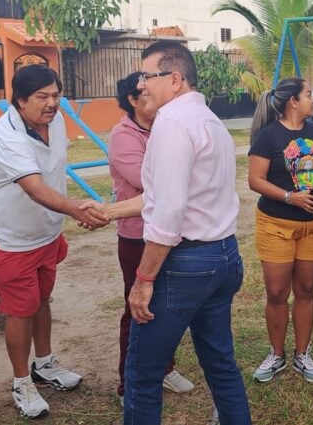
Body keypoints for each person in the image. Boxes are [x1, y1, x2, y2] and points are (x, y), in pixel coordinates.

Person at [124, 41, 250, 425]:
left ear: (175, 79)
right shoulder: (207, 118)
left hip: (188, 262)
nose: (141, 84)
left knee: (143, 373)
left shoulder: (174, 122)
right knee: (220, 362)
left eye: (148, 76)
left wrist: (144, 278)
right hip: (222, 255)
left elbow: (169, 211)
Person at [0, 64, 106, 419]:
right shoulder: (6, 136)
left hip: (44, 233)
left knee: (42, 299)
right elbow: (33, 187)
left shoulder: (56, 121)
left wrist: (65, 215)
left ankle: (44, 365)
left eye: (56, 96)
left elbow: (53, 173)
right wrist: (79, 209)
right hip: (7, 239)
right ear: (19, 100)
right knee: (20, 310)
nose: (51, 104)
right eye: (42, 97)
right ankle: (21, 383)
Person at [108, 72, 195, 402]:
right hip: (137, 238)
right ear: (132, 100)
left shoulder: (165, 127)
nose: (156, 98)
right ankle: (127, 383)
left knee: (167, 307)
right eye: (146, 93)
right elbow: (153, 183)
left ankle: (164, 369)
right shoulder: (123, 136)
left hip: (170, 233)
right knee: (136, 308)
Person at [247, 77, 313, 383]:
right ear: (292, 102)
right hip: (276, 226)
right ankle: (276, 355)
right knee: (276, 293)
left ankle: (302, 355)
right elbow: (255, 180)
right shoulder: (268, 137)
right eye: (309, 94)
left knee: (307, 291)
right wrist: (289, 197)